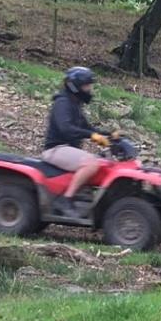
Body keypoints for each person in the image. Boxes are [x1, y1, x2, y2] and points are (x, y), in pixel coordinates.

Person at [41, 66, 109, 215]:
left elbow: (89, 128)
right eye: (86, 86)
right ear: (75, 86)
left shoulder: (75, 104)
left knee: (103, 163)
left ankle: (86, 199)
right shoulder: (63, 103)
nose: (89, 89)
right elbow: (66, 128)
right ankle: (65, 199)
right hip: (55, 149)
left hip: (66, 149)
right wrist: (92, 136)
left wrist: (110, 135)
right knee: (91, 163)